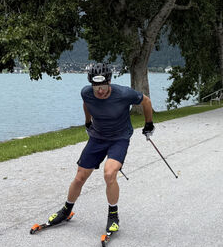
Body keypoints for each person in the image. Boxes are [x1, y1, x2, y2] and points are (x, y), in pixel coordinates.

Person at [46, 62, 155, 233]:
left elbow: (146, 101)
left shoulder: (124, 93)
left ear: (109, 82)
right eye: (96, 87)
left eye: (103, 86)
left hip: (119, 138)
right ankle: (66, 210)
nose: (100, 91)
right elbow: (87, 103)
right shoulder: (86, 93)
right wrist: (88, 122)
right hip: (97, 138)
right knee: (80, 176)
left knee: (109, 173)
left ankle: (113, 215)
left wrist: (149, 124)